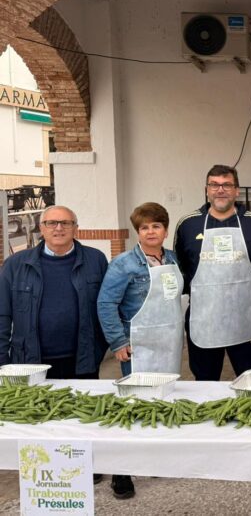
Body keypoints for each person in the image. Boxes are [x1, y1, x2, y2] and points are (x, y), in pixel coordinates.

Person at [0, 206, 133, 499]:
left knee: (89, 418)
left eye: (65, 223)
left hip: (82, 357)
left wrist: (111, 342)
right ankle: (57, 481)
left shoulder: (95, 260)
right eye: (51, 223)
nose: (58, 228)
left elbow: (109, 303)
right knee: (43, 422)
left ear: (76, 228)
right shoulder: (16, 265)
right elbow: (2, 316)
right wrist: (3, 363)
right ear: (41, 228)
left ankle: (97, 467)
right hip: (32, 362)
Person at [173, 165, 251, 381]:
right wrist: (200, 288)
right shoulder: (188, 224)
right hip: (204, 318)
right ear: (207, 190)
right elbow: (179, 264)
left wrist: (246, 284)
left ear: (237, 190)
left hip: (243, 317)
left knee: (249, 379)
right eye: (214, 185)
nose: (220, 190)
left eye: (227, 185)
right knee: (205, 381)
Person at [98, 203, 184, 377]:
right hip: (138, 343)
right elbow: (106, 303)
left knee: (169, 387)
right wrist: (118, 342)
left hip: (170, 341)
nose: (150, 232)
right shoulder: (123, 263)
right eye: (144, 227)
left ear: (166, 232)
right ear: (138, 232)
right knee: (140, 390)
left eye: (156, 226)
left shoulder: (174, 259)